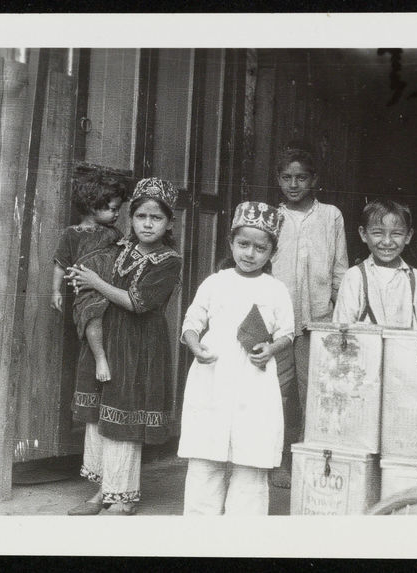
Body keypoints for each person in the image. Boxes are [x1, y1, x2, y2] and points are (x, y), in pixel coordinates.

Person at [65, 177, 182, 516]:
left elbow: (136, 301)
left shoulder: (168, 260)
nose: (148, 224)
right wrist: (82, 278)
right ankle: (105, 489)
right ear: (131, 218)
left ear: (169, 223)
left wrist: (96, 283)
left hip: (140, 344)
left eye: (156, 218)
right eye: (141, 216)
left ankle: (125, 495)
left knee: (124, 416)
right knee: (102, 415)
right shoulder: (119, 250)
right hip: (111, 339)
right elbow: (91, 274)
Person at [178, 201, 294, 515]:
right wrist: (195, 346)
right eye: (243, 244)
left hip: (254, 379)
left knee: (250, 459)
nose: (250, 253)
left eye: (260, 247)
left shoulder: (275, 289)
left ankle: (243, 535)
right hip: (214, 374)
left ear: (272, 251)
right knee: (206, 456)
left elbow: (288, 332)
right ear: (231, 243)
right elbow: (191, 323)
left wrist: (271, 349)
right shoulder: (216, 282)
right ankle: (200, 530)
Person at [269, 143, 348, 487]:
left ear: (313, 179)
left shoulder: (330, 215)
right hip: (278, 322)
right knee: (275, 392)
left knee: (314, 393)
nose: (294, 184)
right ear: (278, 180)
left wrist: (340, 317)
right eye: (287, 177)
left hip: (318, 320)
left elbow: (340, 270)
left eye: (301, 177)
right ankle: (276, 459)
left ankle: (311, 460)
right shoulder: (271, 216)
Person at [51, 170, 128, 382]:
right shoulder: (72, 234)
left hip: (110, 286)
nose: (117, 214)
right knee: (92, 316)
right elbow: (60, 263)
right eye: (113, 209)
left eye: (118, 209)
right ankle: (100, 357)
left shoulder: (114, 233)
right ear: (94, 206)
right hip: (89, 290)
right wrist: (55, 291)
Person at [333, 198, 417, 330]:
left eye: (396, 234)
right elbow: (340, 330)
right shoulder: (354, 277)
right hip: (363, 349)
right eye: (378, 233)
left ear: (408, 236)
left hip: (407, 350)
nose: (387, 241)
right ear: (363, 234)